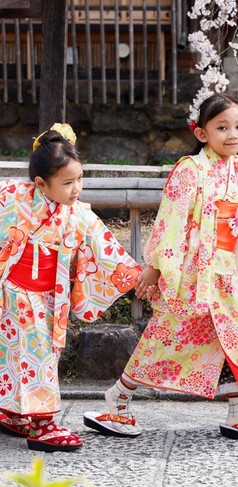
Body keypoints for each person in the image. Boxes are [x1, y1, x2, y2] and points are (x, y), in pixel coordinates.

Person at [84, 92, 238, 442]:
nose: (232, 134)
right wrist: (157, 267)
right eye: (222, 127)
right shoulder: (190, 170)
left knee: (235, 339)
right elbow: (171, 220)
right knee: (164, 337)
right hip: (191, 274)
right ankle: (119, 399)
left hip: (226, 271)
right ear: (202, 133)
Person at [0, 124, 141, 452]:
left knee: (32, 355)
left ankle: (13, 413)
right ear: (39, 183)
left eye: (79, 179)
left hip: (48, 297)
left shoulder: (78, 215)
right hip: (12, 293)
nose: (76, 188)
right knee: (33, 357)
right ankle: (43, 426)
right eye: (67, 183)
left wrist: (140, 278)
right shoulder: (11, 198)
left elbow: (109, 253)